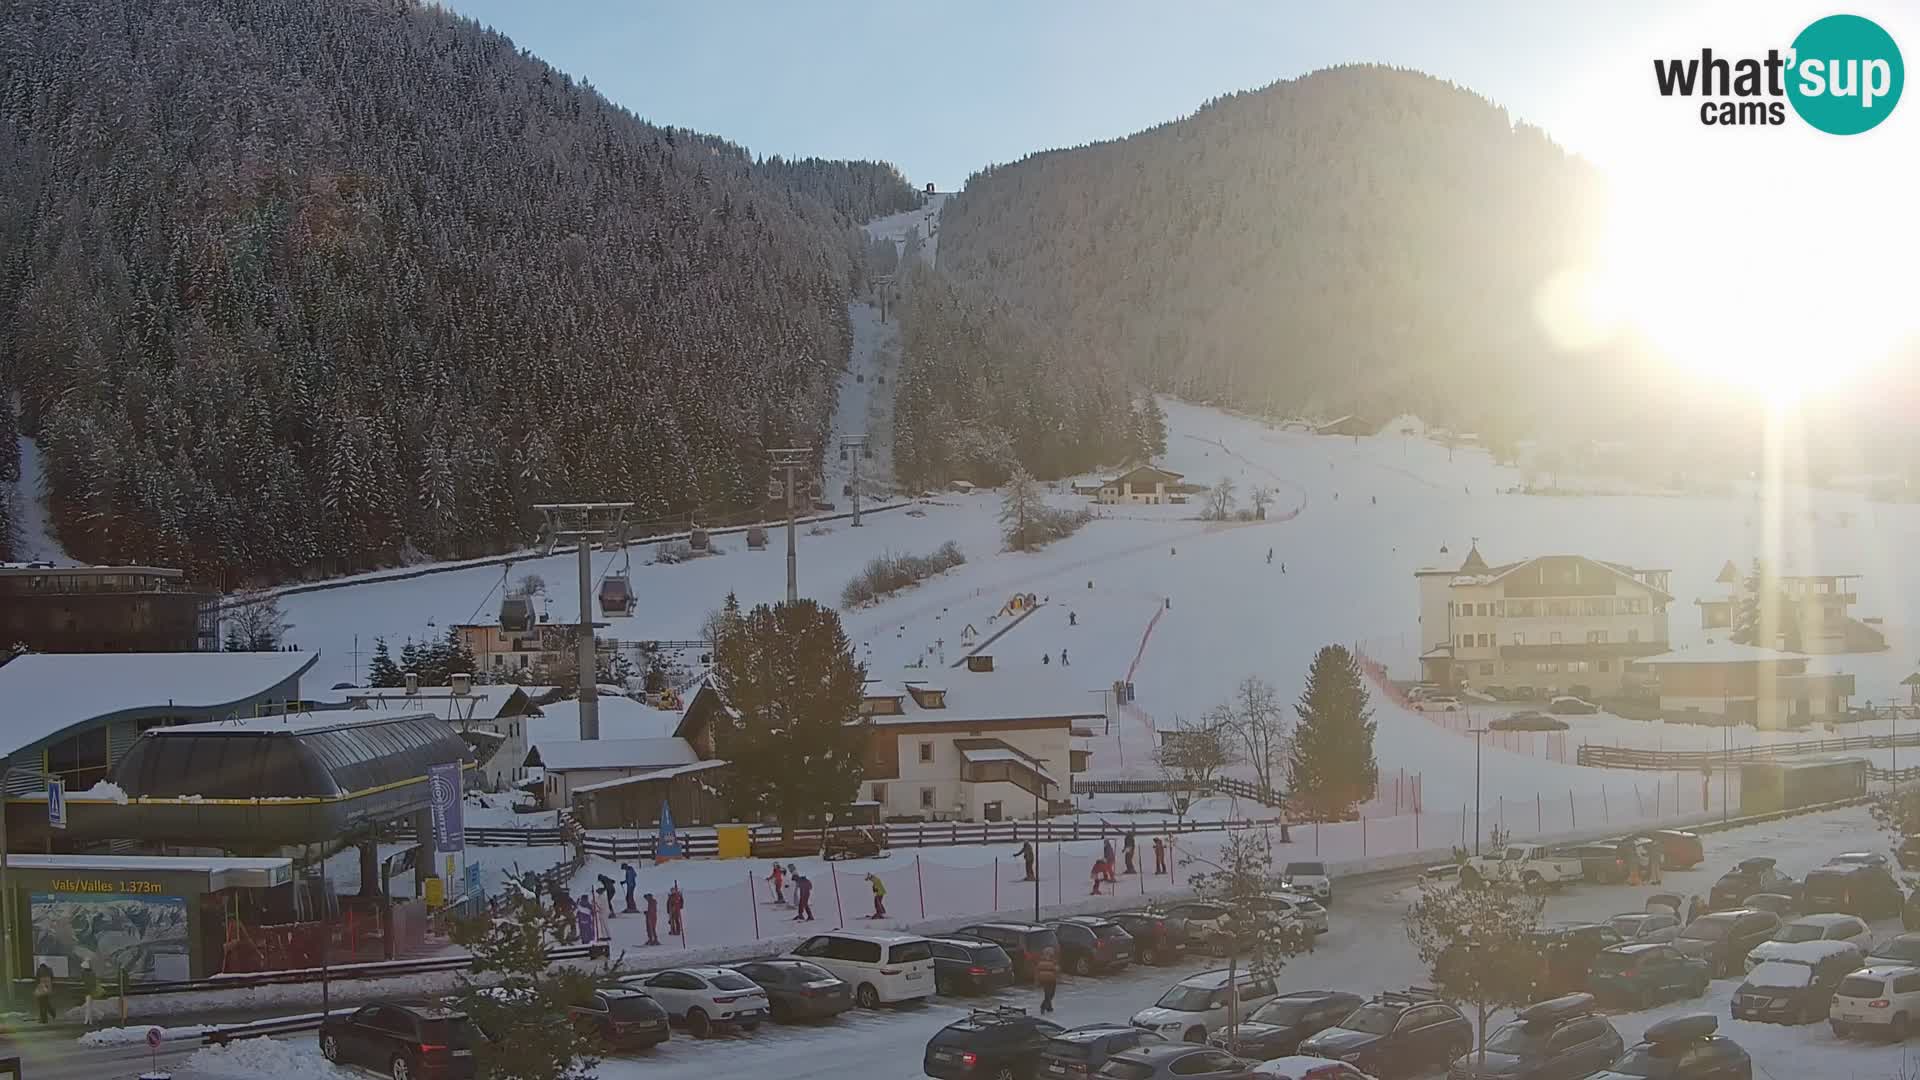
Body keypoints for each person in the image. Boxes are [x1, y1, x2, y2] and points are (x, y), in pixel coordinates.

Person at [1034, 946, 1059, 1014]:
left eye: (1050, 953)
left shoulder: (1054, 961)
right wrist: (1037, 981)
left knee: (1051, 994)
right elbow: (1037, 971)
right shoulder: (1041, 961)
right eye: (1047, 953)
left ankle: (1049, 1007)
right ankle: (1043, 1006)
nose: (1049, 954)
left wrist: (1057, 972)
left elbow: (1056, 970)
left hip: (1052, 980)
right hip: (1045, 980)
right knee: (1048, 995)